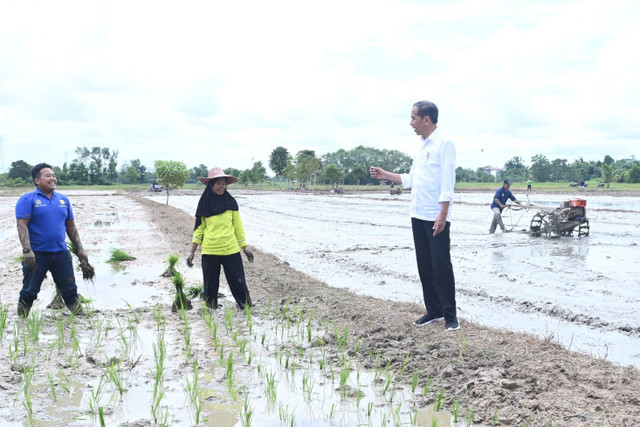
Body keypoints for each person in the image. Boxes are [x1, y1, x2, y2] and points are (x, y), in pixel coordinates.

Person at [369, 100, 460, 331]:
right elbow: (412, 179)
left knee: (441, 265)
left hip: (435, 215)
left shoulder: (444, 143)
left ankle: (450, 315)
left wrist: (443, 214)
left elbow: (447, 182)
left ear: (426, 119)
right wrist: (385, 175)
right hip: (417, 214)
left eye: (413, 118)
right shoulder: (421, 146)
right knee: (424, 265)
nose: (411, 123)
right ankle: (434, 310)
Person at [15, 163, 89, 317]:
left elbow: (71, 228)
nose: (53, 178)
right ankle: (21, 322)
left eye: (54, 175)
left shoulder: (63, 200)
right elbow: (22, 225)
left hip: (61, 253)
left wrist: (80, 248)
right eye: (48, 175)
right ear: (37, 180)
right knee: (29, 291)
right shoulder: (28, 199)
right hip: (37, 255)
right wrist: (27, 250)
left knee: (70, 290)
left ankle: (81, 319)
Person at [186, 167, 254, 309]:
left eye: (224, 184)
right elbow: (198, 230)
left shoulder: (231, 203)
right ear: (211, 185)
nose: (222, 187)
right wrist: (192, 252)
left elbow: (238, 227)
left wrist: (245, 247)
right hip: (210, 251)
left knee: (238, 281)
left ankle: (245, 306)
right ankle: (211, 307)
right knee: (210, 284)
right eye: (219, 184)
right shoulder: (204, 205)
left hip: (230, 250)